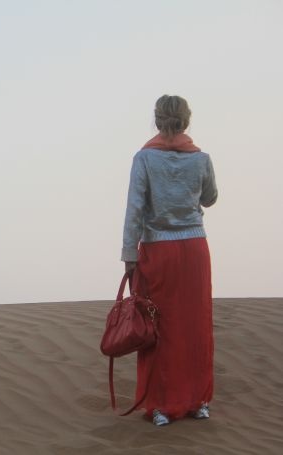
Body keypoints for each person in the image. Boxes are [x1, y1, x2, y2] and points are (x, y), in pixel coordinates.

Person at [121, 95, 218, 426]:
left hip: (159, 250)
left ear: (157, 120)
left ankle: (161, 405)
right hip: (194, 249)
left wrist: (128, 255)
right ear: (187, 121)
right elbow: (210, 197)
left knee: (160, 327)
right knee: (195, 325)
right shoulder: (201, 158)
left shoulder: (144, 158)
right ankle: (198, 401)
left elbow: (135, 209)